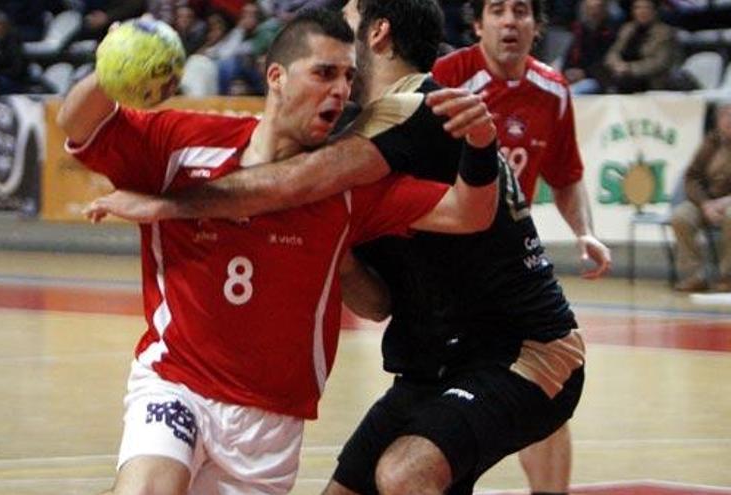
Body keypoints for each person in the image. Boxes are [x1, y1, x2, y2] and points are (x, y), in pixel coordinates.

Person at [93, 0, 584, 493]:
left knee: (405, 472)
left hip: (521, 352)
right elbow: (376, 302)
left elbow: (290, 184)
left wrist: (169, 205)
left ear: (377, 33)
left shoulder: (410, 108)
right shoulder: (368, 125)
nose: (336, 25)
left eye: (348, 17)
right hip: (439, 362)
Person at [431, 1, 612, 493]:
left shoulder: (552, 89)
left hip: (511, 263)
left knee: (548, 386)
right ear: (477, 24)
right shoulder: (448, 75)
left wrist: (584, 232)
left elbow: (567, 177)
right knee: (441, 399)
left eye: (521, 11)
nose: (510, 21)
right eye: (497, 10)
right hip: (446, 265)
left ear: (536, 26)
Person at [670, 102, 731, 293]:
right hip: (707, 202)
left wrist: (725, 202)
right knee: (681, 216)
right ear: (718, 120)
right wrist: (704, 204)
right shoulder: (710, 143)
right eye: (725, 115)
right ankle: (695, 276)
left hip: (728, 203)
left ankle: (727, 276)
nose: (729, 120)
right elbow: (692, 177)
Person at [602, 0, 681, 93]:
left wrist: (629, 68)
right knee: (600, 74)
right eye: (638, 8)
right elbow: (613, 52)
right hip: (621, 73)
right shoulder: (627, 28)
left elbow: (659, 63)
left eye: (646, 8)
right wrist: (617, 65)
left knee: (622, 83)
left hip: (648, 79)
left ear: (655, 11)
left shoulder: (665, 32)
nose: (642, 11)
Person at [562, 0, 619, 95]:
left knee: (571, 93)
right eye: (590, 8)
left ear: (604, 9)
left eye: (597, 8)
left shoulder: (611, 30)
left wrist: (584, 73)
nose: (593, 12)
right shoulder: (581, 28)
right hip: (575, 74)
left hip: (596, 79)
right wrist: (567, 70)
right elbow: (569, 54)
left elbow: (606, 61)